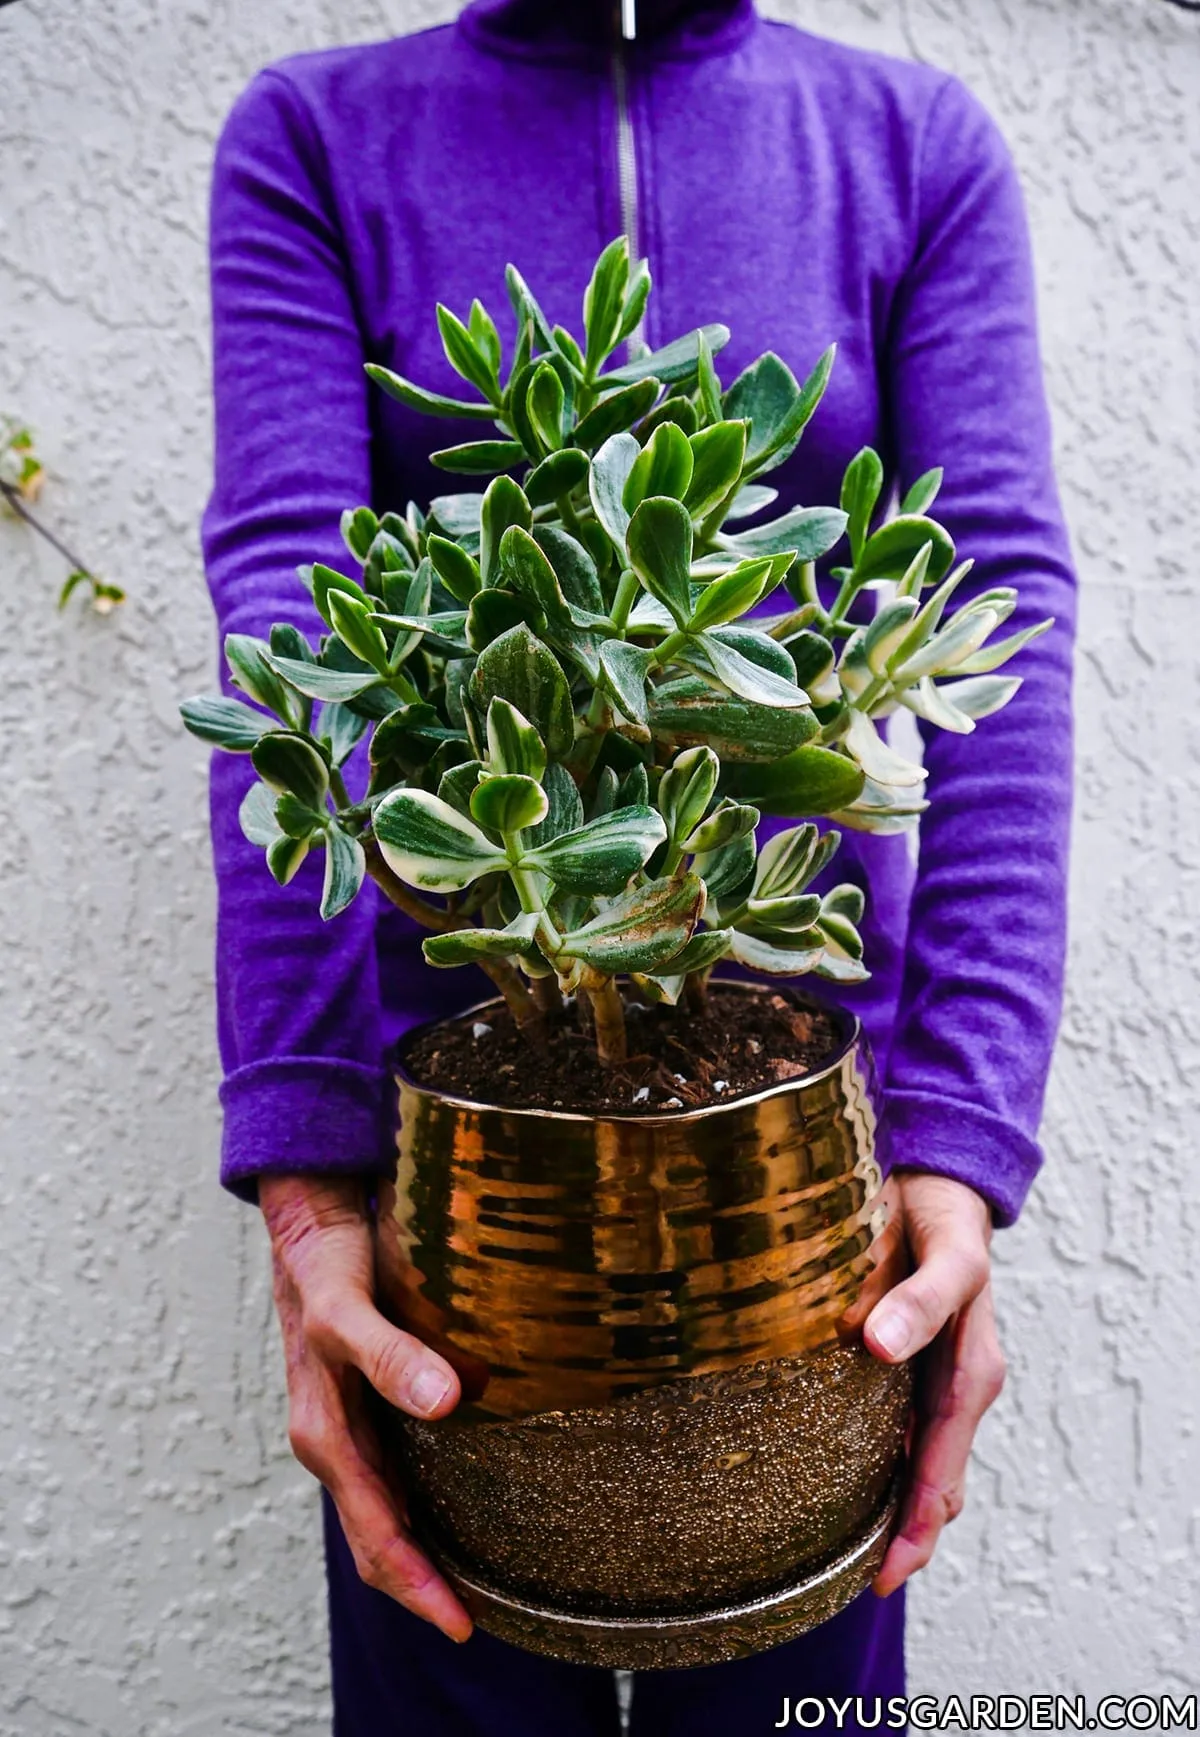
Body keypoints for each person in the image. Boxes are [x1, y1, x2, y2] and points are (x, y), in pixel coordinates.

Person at [200, 0, 1075, 1729]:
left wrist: (963, 1143)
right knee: (448, 1672)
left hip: (811, 1186)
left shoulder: (909, 147)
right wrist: (309, 1197)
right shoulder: (315, 135)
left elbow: (1002, 631)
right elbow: (294, 622)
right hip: (453, 1186)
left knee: (799, 1672)